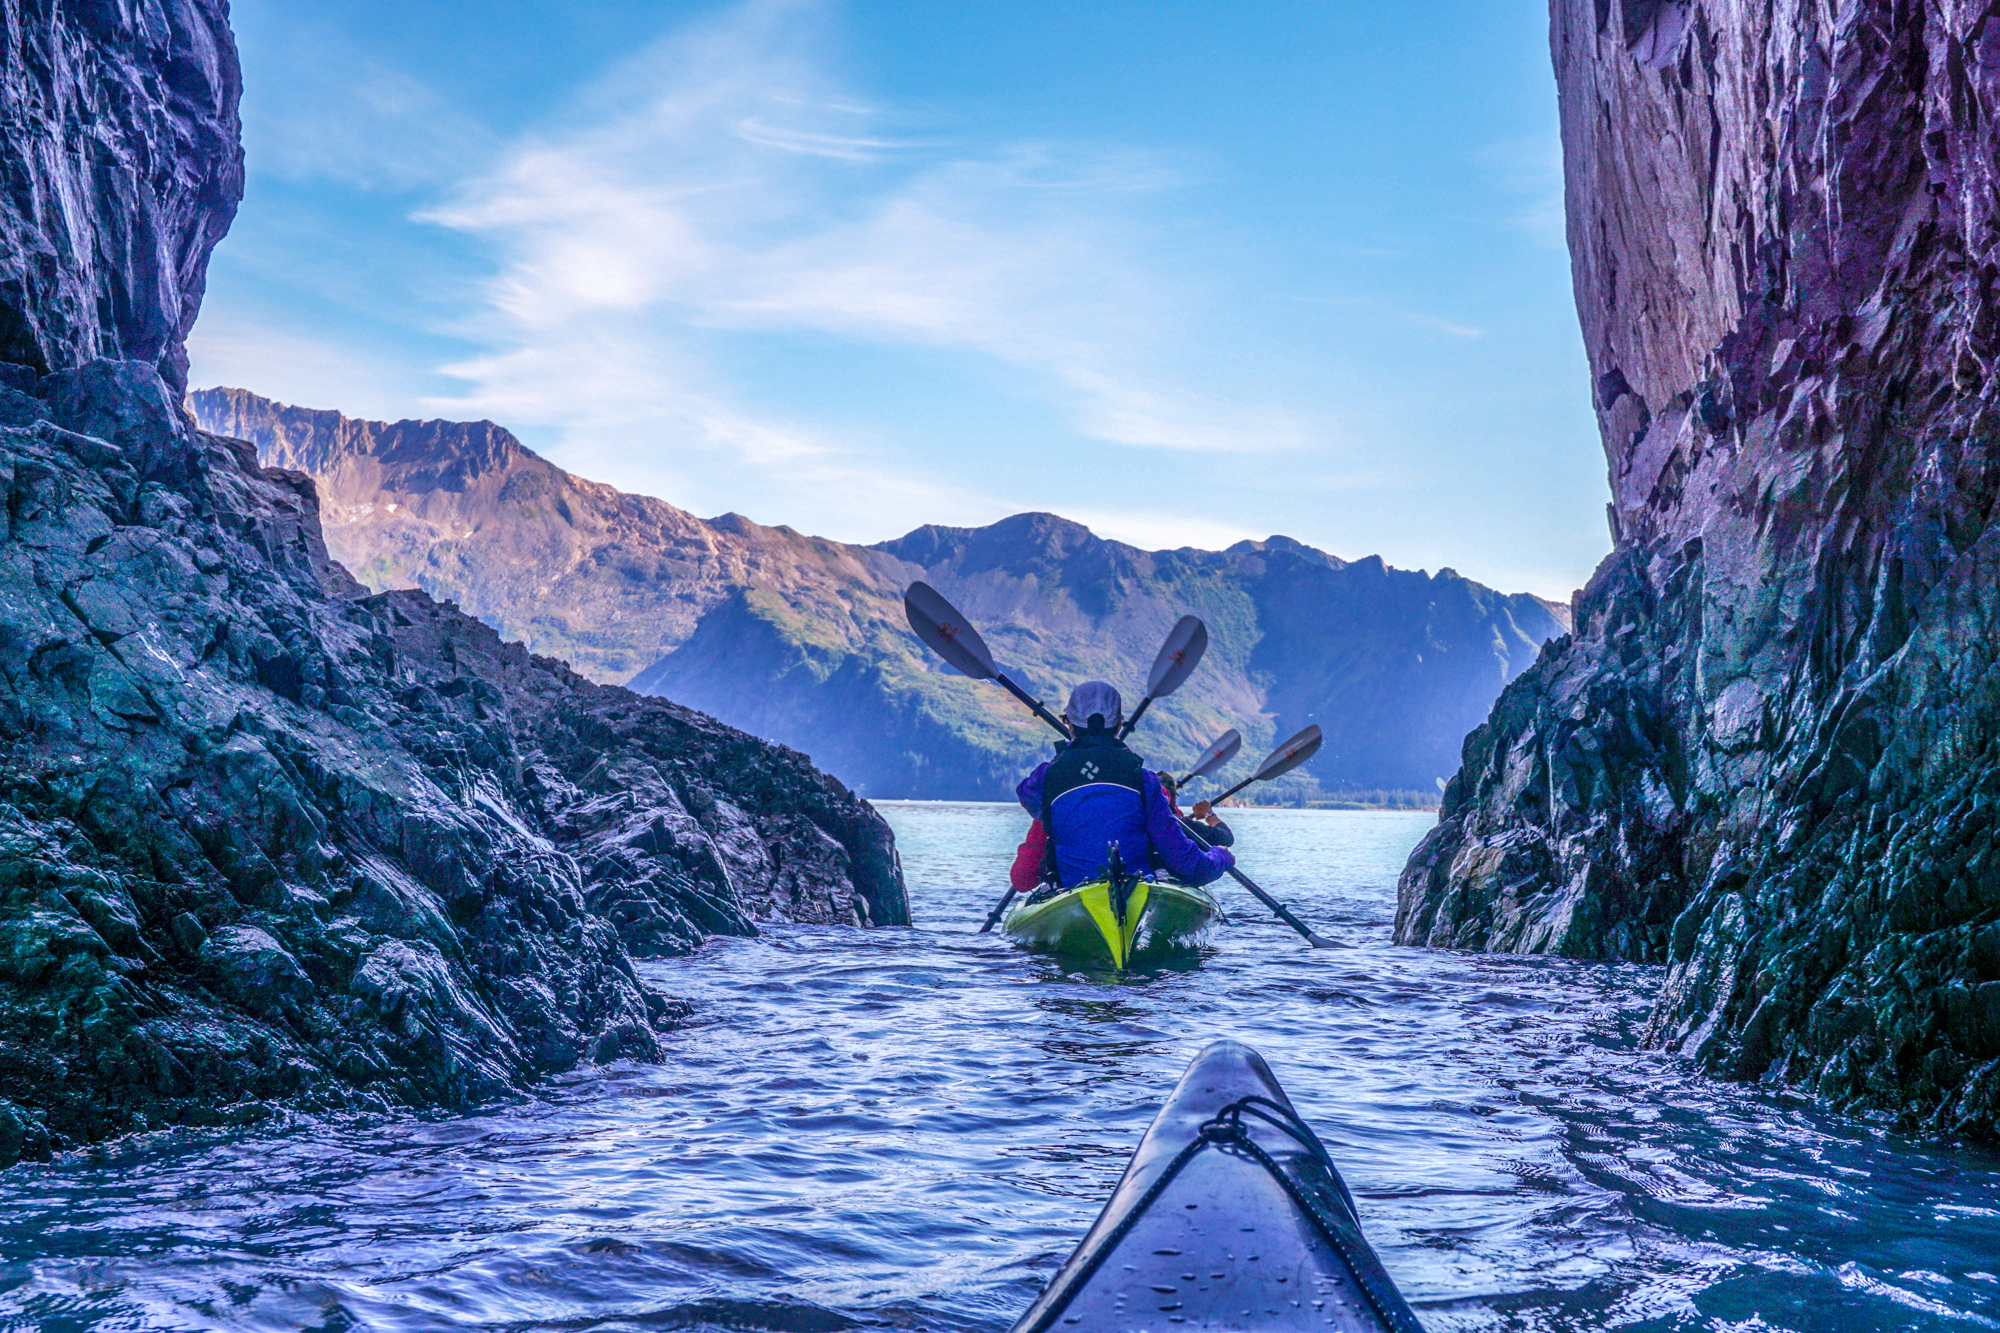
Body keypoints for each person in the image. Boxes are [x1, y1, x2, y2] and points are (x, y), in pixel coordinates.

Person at [1014, 681, 1234, 889]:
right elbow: (1186, 863)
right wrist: (1220, 857)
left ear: (1069, 723)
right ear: (1119, 725)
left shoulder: (1044, 778)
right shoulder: (1144, 780)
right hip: (1137, 886)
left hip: (1071, 888)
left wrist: (1073, 766)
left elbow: (1031, 801)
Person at [1157, 772, 1234, 849]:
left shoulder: (1148, 821)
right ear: (1172, 798)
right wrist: (1209, 814)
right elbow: (1227, 838)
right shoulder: (1178, 823)